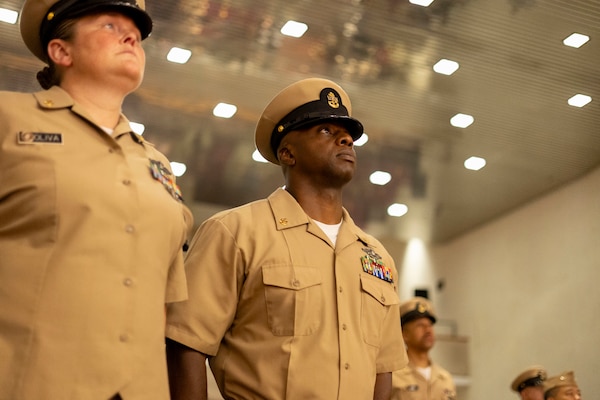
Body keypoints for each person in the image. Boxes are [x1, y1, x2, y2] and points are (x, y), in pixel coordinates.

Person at [165, 77, 408, 400]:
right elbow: (186, 344)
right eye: (326, 131)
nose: (346, 140)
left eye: (348, 135)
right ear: (288, 153)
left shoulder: (377, 257)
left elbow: (382, 368)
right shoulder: (235, 232)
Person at [0, 1, 192, 399]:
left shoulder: (158, 165)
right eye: (109, 24)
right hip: (33, 382)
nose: (131, 38)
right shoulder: (8, 120)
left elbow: (162, 300)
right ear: (61, 51)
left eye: (137, 36)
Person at [391, 297, 456, 400]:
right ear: (404, 334)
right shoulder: (393, 377)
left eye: (430, 325)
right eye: (420, 325)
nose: (428, 330)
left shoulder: (445, 379)